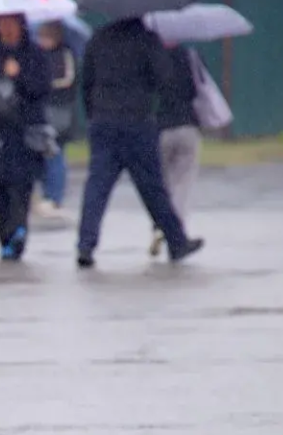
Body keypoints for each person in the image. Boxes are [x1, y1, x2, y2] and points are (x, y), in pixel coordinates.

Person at [76, 18, 205, 269]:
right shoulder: (146, 38)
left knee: (97, 187)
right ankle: (177, 242)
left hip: (103, 121)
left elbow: (86, 82)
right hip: (137, 122)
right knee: (153, 188)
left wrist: (93, 115)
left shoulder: (97, 39)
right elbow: (164, 78)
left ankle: (85, 245)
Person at [0, 13, 50, 261]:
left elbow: (42, 89)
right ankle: (4, 239)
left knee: (21, 187)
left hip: (24, 133)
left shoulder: (35, 55)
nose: (7, 29)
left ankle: (18, 232)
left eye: (12, 23)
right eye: (2, 24)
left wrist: (18, 76)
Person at [150, 44, 204, 258]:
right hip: (187, 124)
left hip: (159, 127)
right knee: (182, 183)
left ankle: (157, 227)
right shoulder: (189, 55)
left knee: (160, 184)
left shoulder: (151, 55)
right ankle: (176, 230)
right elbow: (199, 87)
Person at [35, 21, 78, 222]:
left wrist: (47, 84)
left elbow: (68, 79)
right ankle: (46, 194)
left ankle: (55, 196)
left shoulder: (66, 53)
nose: (43, 41)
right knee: (43, 154)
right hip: (43, 110)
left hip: (60, 111)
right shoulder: (37, 56)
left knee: (56, 153)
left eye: (47, 37)